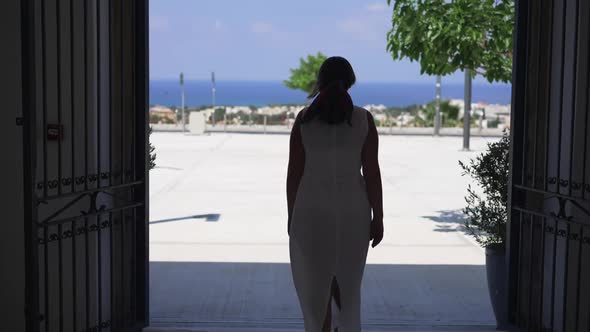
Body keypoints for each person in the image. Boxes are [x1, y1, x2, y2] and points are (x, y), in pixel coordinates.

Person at [286, 56, 384, 332]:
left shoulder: (304, 120)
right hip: (353, 212)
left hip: (310, 210)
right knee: (348, 289)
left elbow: (294, 175)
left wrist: (292, 215)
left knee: (316, 287)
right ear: (349, 81)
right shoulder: (363, 119)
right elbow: (372, 173)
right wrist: (378, 217)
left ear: (321, 80)